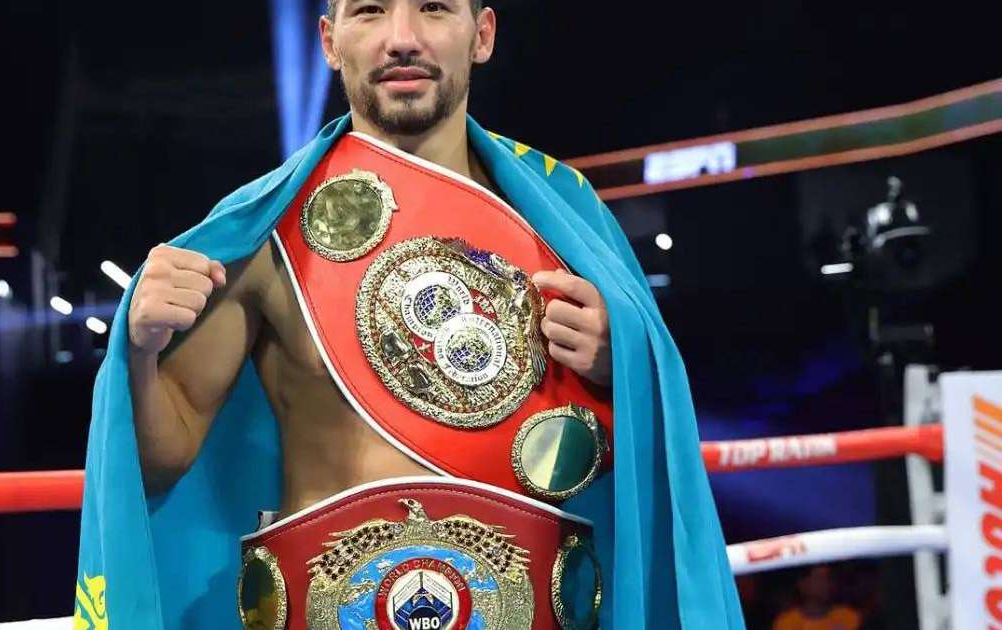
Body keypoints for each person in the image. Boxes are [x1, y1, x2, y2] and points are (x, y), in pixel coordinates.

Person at [74, 1, 744, 628]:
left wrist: (618, 361)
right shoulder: (265, 232)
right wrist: (137, 350)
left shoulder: (566, 222)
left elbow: (652, 466)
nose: (402, 37)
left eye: (432, 7)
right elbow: (163, 455)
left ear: (481, 35)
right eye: (369, 9)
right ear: (330, 42)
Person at [772, 565, 861, 630]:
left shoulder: (849, 617)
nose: (826, 583)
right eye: (820, 578)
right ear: (803, 584)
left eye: (828, 578)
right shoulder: (785, 624)